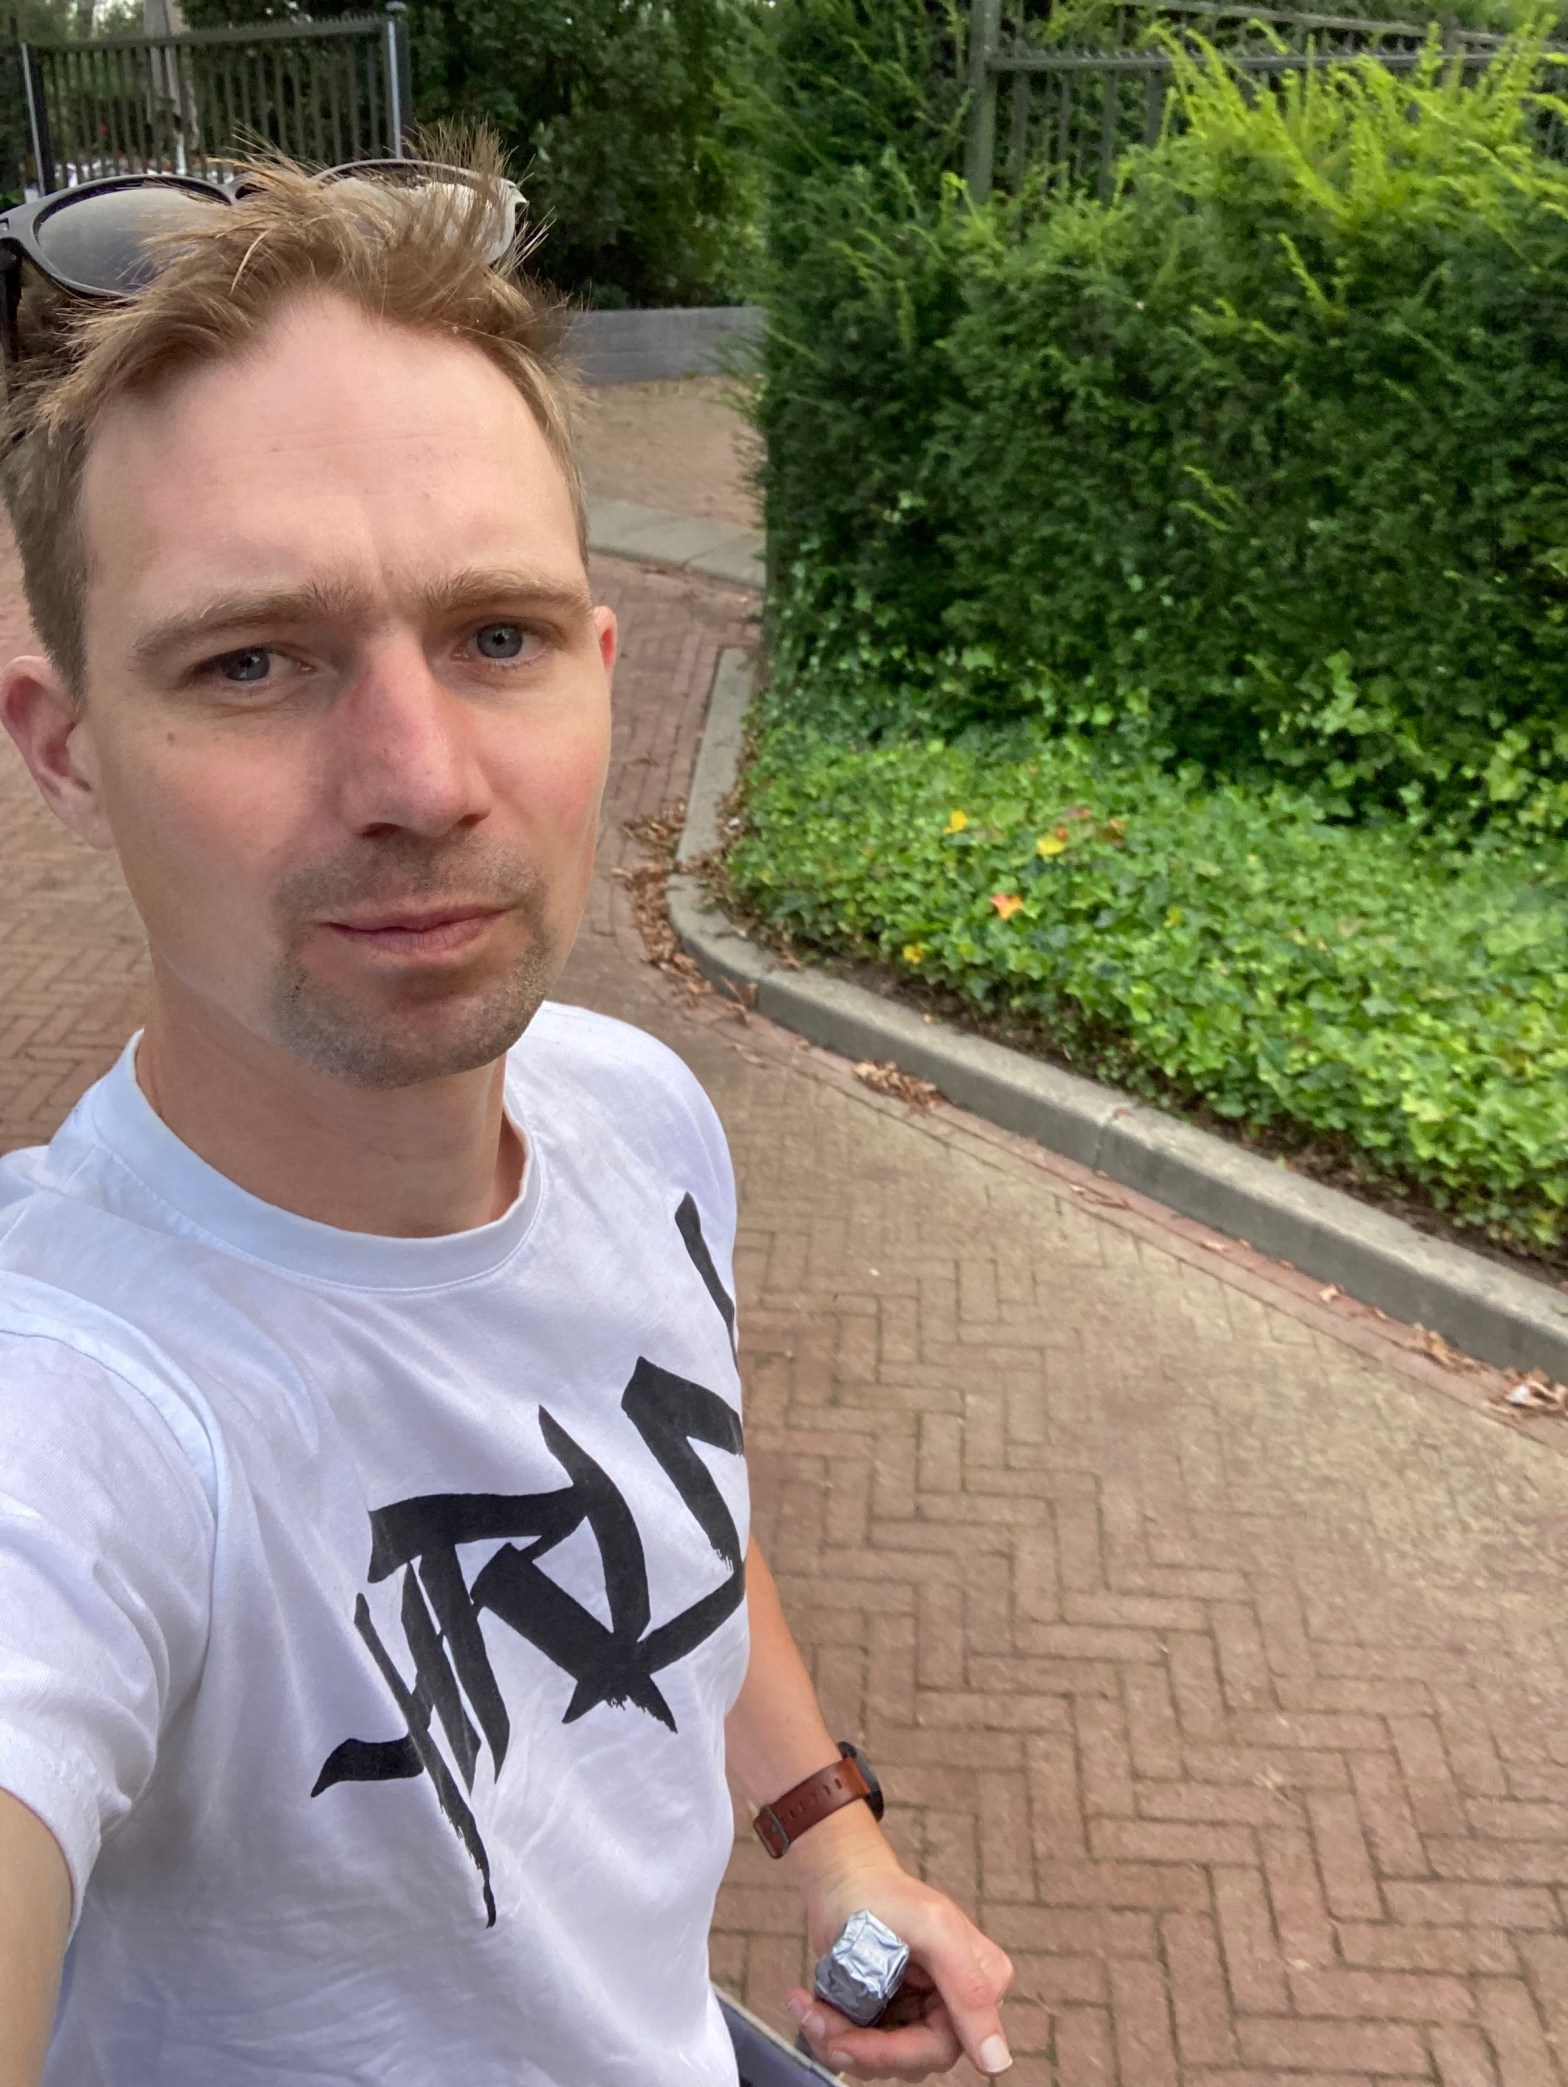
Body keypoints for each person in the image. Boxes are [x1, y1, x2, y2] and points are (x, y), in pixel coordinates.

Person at [0, 146, 1014, 2086]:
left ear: (599, 675)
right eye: (251, 660)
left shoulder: (638, 1114)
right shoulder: (70, 1412)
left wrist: (834, 1839)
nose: (422, 777)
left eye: (495, 638)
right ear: (68, 751)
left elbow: (673, 1486)